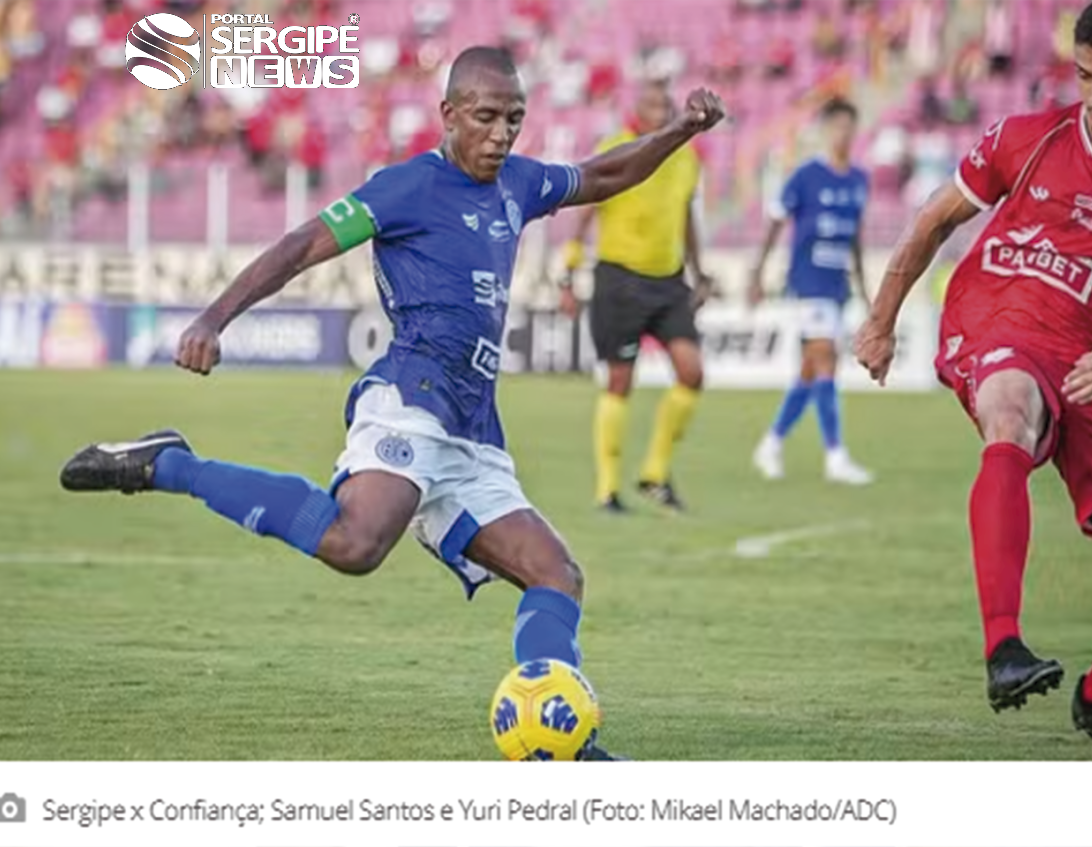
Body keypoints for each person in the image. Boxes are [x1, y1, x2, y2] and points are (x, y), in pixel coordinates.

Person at [59, 46, 725, 760]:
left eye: (515, 119)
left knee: (556, 574)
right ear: (448, 114)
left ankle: (561, 745)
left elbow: (604, 173)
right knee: (354, 542)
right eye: (486, 117)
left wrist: (681, 129)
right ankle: (171, 464)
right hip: (412, 395)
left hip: (473, 429)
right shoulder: (405, 188)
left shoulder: (519, 184)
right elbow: (302, 244)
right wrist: (213, 318)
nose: (502, 134)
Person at [855, 0, 1092, 746]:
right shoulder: (1026, 137)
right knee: (1012, 407)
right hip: (995, 321)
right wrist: (882, 320)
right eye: (1083, 75)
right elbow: (931, 220)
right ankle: (1004, 646)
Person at [559, 79, 713, 513]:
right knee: (620, 380)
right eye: (652, 104)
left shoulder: (687, 159)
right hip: (619, 280)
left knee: (692, 372)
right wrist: (567, 274)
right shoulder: (617, 146)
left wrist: (699, 273)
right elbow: (584, 212)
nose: (661, 112)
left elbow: (686, 216)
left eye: (666, 105)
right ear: (637, 110)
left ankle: (655, 474)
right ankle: (607, 489)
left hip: (668, 281)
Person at [749, 98, 874, 485]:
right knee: (826, 358)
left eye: (849, 126)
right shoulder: (806, 176)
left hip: (836, 286)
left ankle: (771, 443)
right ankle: (835, 455)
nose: (843, 133)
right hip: (806, 281)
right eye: (837, 126)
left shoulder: (858, 180)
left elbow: (855, 238)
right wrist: (757, 272)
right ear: (825, 130)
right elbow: (774, 221)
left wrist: (865, 288)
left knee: (810, 370)